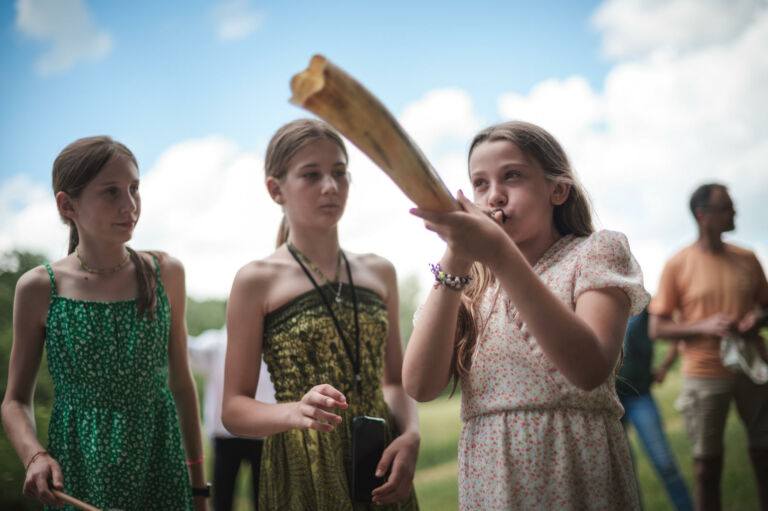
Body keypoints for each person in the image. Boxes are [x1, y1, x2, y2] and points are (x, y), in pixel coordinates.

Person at [402, 120, 650, 510]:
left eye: (512, 176)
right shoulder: (467, 286)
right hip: (492, 480)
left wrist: (501, 255)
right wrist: (456, 256)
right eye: (480, 183)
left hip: (576, 469)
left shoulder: (595, 253)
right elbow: (419, 385)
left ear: (558, 190)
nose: (494, 196)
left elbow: (589, 368)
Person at [1, 136, 209, 510]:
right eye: (111, 191)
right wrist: (35, 456)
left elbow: (181, 385)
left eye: (134, 188)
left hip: (159, 466)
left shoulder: (166, 273)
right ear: (67, 205)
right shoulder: (39, 287)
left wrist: (199, 489)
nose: (130, 205)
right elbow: (15, 401)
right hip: (79, 471)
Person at [221, 119, 420, 510]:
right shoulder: (255, 281)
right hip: (303, 466)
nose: (330, 186)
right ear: (275, 189)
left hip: (380, 455)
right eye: (311, 175)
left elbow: (395, 381)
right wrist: (294, 411)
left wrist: (411, 435)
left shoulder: (380, 272)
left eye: (339, 173)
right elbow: (233, 408)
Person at [648, 183, 768, 511]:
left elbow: (766, 307)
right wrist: (703, 325)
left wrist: (756, 320)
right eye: (726, 207)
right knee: (706, 467)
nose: (734, 212)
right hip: (704, 373)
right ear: (703, 216)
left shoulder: (748, 258)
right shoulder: (677, 263)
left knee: (764, 456)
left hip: (753, 369)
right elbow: (657, 327)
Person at [188, 326, 276, 510]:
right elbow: (189, 349)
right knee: (224, 496)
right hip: (227, 433)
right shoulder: (216, 343)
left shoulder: (270, 342)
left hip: (262, 433)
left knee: (263, 498)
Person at [617, 308, 693, 510]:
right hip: (610, 402)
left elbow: (676, 332)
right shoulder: (594, 301)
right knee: (625, 474)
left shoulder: (645, 309)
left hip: (640, 397)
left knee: (666, 464)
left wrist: (665, 367)